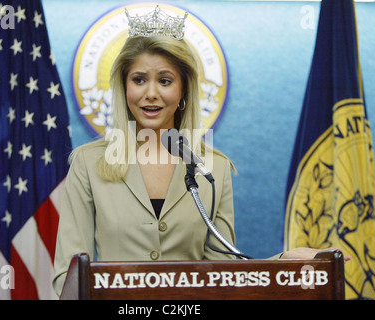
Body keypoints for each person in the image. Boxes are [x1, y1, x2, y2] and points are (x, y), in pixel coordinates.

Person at [52, 7, 349, 297]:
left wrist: (284, 264)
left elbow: (224, 275)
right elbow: (68, 276)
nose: (151, 93)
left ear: (183, 90)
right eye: (139, 79)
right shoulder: (88, 163)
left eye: (165, 81)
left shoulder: (213, 168)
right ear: (124, 85)